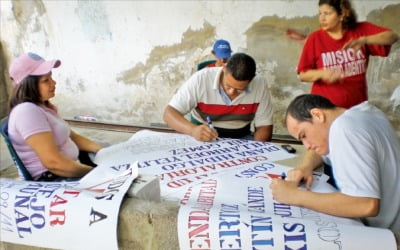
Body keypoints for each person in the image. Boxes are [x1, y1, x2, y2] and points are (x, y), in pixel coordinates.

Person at [270, 94, 400, 233]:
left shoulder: (344, 129)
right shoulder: (364, 113)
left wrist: (294, 196)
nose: (306, 146)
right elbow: (320, 150)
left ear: (318, 115)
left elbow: (366, 204)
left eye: (304, 135)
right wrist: (305, 166)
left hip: (392, 236)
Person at [7, 52, 104, 181]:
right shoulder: (26, 112)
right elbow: (53, 163)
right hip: (53, 178)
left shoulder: (41, 107)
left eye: (51, 77)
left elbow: (71, 136)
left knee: (112, 152)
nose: (53, 83)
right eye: (45, 80)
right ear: (28, 85)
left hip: (68, 168)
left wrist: (103, 150)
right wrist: (98, 173)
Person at [297, 0, 399, 109]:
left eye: (327, 14)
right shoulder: (315, 38)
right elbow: (302, 75)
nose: (322, 18)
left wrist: (363, 40)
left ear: (342, 14)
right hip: (325, 110)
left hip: (357, 108)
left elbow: (392, 36)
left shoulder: (361, 30)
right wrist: (322, 73)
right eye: (320, 13)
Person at [163, 52, 273, 142]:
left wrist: (256, 152)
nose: (231, 92)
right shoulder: (201, 79)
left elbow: (264, 127)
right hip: (202, 136)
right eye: (228, 85)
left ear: (252, 79)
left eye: (240, 89)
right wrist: (193, 130)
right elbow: (169, 114)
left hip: (240, 138)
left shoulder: (259, 84)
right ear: (224, 68)